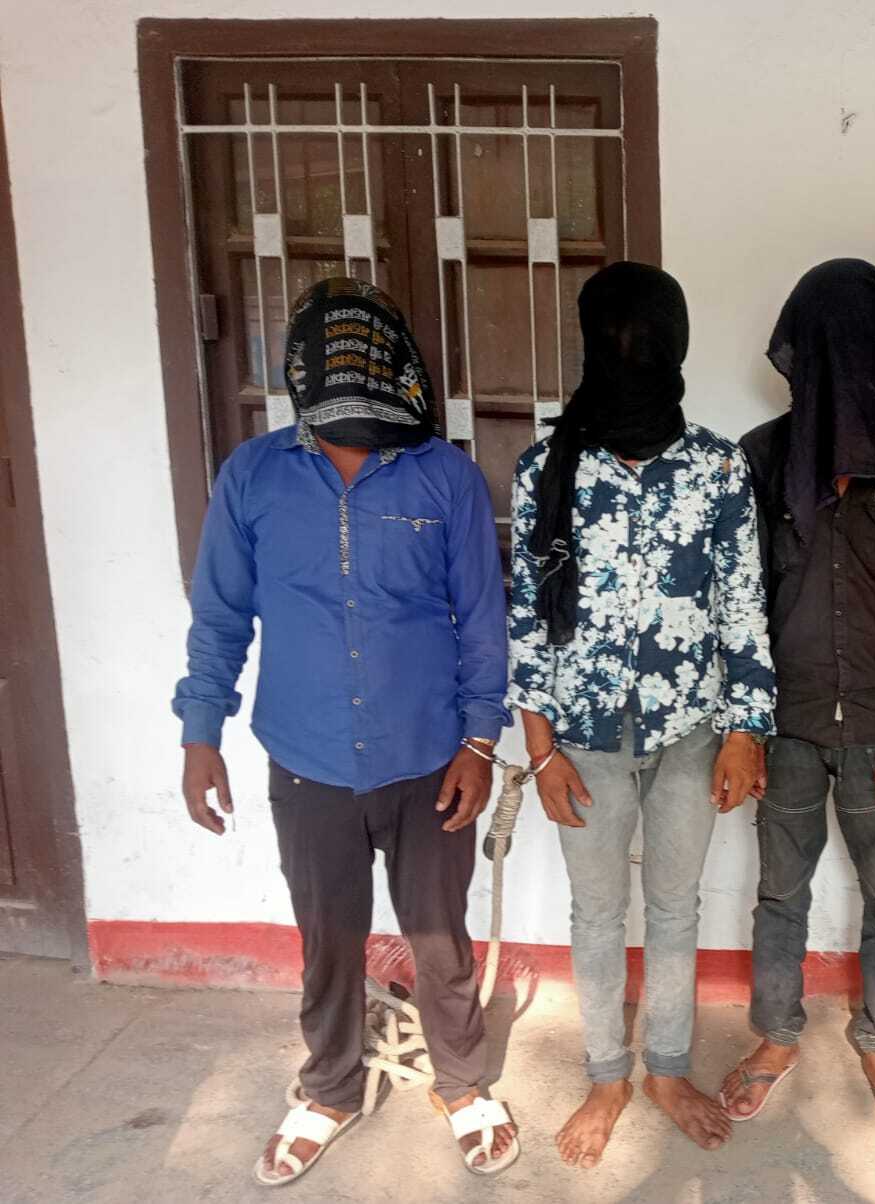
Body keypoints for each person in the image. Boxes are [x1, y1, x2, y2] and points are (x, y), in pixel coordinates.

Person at [173, 277, 519, 1186]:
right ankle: (329, 1087)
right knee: (327, 937)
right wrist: (200, 733)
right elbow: (220, 616)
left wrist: (479, 743)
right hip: (308, 757)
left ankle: (463, 1084)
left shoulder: (444, 476)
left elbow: (483, 622)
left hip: (429, 756)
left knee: (439, 936)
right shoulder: (252, 476)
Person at [506, 261, 776, 1169]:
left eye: (648, 342)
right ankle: (606, 1076)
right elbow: (526, 615)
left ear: (678, 348)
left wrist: (744, 731)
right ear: (588, 346)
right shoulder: (547, 469)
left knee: (673, 907)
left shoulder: (717, 468)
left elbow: (743, 607)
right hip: (582, 740)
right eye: (614, 340)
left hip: (691, 733)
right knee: (595, 911)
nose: (631, 356)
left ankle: (665, 1068)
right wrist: (541, 751)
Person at [719, 411, 875, 1138]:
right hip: (789, 725)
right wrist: (746, 728)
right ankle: (777, 1037)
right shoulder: (763, 456)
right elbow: (738, 598)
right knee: (780, 895)